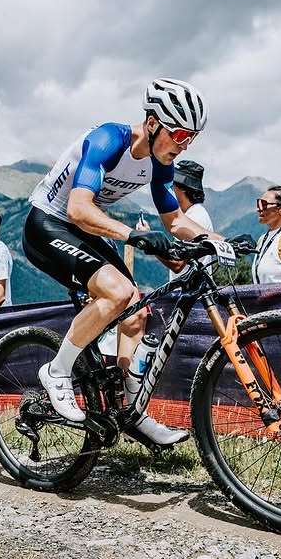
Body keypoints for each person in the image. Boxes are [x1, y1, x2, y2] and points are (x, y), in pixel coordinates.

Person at [23, 78, 230, 447]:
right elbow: (78, 207)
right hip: (47, 223)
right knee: (118, 292)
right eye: (179, 133)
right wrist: (133, 235)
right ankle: (56, 371)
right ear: (152, 124)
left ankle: (129, 411)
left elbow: (176, 222)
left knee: (136, 312)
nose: (183, 145)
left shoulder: (160, 162)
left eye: (191, 138)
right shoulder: (108, 140)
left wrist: (221, 242)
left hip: (84, 229)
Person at [159, 160, 215, 281]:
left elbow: (177, 264)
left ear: (183, 188)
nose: (170, 187)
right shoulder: (194, 214)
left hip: (192, 296)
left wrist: (150, 245)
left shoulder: (193, 218)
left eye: (172, 183)